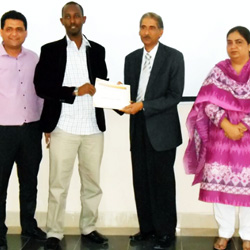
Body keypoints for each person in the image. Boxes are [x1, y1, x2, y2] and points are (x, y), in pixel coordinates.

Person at [33, 2, 108, 249]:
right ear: (62, 21)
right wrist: (75, 91)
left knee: (92, 185)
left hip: (92, 129)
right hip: (63, 127)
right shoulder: (50, 50)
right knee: (57, 185)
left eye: (77, 16)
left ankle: (88, 227)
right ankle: (54, 232)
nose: (73, 20)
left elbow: (103, 87)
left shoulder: (97, 50)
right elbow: (42, 87)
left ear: (84, 19)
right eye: (68, 16)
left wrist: (116, 97)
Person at [120, 12, 185, 249]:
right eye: (142, 27)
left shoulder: (174, 57)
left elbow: (175, 96)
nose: (146, 32)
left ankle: (166, 231)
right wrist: (118, 99)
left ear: (160, 31)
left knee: (162, 184)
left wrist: (144, 105)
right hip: (137, 127)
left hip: (162, 131)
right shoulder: (131, 58)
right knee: (141, 180)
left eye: (151, 27)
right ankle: (146, 229)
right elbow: (129, 94)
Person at [184, 26, 250, 250]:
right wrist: (226, 125)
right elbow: (206, 103)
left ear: (249, 45)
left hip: (247, 138)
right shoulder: (218, 71)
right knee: (222, 188)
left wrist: (241, 126)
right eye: (229, 42)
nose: (233, 46)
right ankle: (224, 232)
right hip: (221, 138)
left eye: (239, 42)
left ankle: (248, 235)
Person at [0, 10, 46, 250]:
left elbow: (40, 94)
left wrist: (44, 125)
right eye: (9, 28)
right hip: (2, 131)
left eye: (19, 29)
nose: (14, 33)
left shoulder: (34, 58)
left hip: (31, 129)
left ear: (25, 33)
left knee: (29, 182)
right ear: (1, 31)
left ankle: (29, 226)